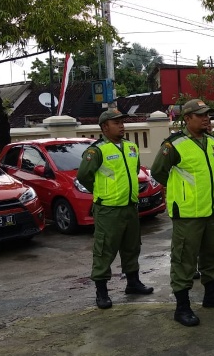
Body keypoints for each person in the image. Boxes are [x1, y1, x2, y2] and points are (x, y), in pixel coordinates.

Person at [150, 99, 214, 327]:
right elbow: (159, 172)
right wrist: (182, 193)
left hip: (211, 211)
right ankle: (182, 307)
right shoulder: (175, 145)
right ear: (187, 119)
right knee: (184, 260)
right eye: (200, 115)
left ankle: (212, 296)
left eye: (207, 114)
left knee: (211, 255)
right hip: (188, 213)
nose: (206, 118)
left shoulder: (211, 142)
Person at [77, 108, 154, 310]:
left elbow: (135, 170)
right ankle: (101, 292)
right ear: (104, 127)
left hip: (130, 207)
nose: (121, 125)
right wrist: (101, 192)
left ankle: (133, 283)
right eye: (116, 122)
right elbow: (84, 176)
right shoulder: (97, 151)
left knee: (131, 246)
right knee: (105, 249)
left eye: (122, 122)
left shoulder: (131, 147)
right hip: (108, 209)